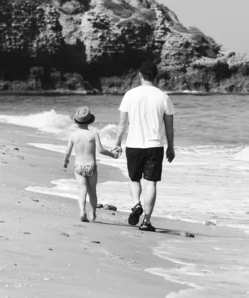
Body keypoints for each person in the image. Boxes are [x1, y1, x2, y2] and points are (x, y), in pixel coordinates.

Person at [112, 61, 175, 232]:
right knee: (151, 182)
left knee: (134, 179)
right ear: (156, 76)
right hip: (155, 145)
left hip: (133, 144)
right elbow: (169, 126)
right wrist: (171, 147)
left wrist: (117, 143)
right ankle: (146, 221)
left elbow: (122, 124)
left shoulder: (130, 95)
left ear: (140, 75)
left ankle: (136, 204)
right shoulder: (163, 97)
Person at [63, 106, 118, 222]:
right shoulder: (93, 134)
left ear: (76, 121)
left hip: (78, 166)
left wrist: (65, 160)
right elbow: (101, 150)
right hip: (91, 166)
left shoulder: (73, 136)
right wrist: (111, 154)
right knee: (92, 190)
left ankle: (82, 211)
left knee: (82, 189)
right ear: (89, 120)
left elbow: (67, 151)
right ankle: (92, 213)